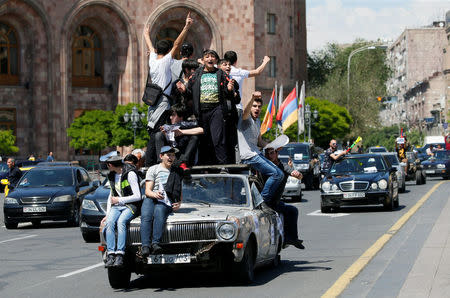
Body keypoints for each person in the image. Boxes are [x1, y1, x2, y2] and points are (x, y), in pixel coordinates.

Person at [144, 12, 194, 167]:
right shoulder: (166, 61)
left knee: (156, 132)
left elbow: (150, 46)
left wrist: (146, 33)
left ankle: (153, 162)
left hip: (153, 102)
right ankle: (154, 162)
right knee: (158, 133)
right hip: (163, 102)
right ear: (167, 53)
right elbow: (177, 44)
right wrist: (186, 27)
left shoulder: (152, 59)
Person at [180, 49, 238, 164]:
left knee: (218, 138)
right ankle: (205, 166)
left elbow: (230, 92)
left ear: (216, 60)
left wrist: (230, 89)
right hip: (201, 112)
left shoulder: (220, 73)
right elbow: (189, 92)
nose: (210, 59)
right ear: (203, 60)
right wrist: (183, 90)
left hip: (217, 110)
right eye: (207, 57)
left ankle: (223, 166)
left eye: (212, 57)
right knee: (204, 139)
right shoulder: (196, 74)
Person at [237, 91, 284, 208]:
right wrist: (252, 98)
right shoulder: (245, 118)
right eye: (254, 106)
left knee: (280, 174)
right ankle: (261, 202)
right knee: (276, 174)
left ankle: (262, 200)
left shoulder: (257, 121)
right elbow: (245, 112)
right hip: (248, 156)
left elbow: (260, 142)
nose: (257, 108)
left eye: (259, 106)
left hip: (256, 154)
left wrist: (274, 146)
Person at [140, 146, 182, 257]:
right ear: (161, 156)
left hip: (166, 200)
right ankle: (145, 246)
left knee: (159, 210)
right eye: (168, 155)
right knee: (146, 215)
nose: (171, 157)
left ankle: (155, 243)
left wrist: (179, 203)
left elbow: (179, 191)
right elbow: (148, 191)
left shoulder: (177, 171)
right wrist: (155, 194)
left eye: (173, 155)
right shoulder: (153, 169)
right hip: (152, 197)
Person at [101, 155, 142, 268]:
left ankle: (120, 254)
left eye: (107, 164)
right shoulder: (112, 175)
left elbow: (138, 196)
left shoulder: (130, 174)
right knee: (109, 223)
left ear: (111, 165)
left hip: (130, 206)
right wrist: (107, 214)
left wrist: (120, 200)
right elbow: (111, 195)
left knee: (121, 222)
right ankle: (110, 254)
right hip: (116, 206)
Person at [264, 147, 305, 249]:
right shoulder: (265, 166)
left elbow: (298, 175)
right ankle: (289, 238)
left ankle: (291, 238)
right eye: (268, 154)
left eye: (272, 153)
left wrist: (298, 174)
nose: (271, 156)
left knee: (293, 210)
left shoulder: (283, 166)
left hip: (276, 202)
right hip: (265, 201)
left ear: (277, 153)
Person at [155, 103, 204, 168]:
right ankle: (161, 162)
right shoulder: (169, 126)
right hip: (172, 155)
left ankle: (183, 164)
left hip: (185, 157)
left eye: (173, 115)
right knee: (159, 135)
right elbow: (171, 144)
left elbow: (202, 130)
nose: (170, 117)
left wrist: (182, 132)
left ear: (181, 116)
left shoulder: (189, 125)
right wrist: (165, 135)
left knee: (195, 137)